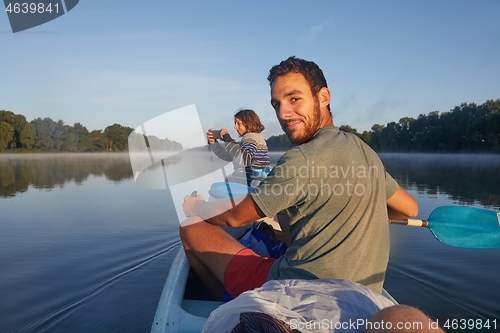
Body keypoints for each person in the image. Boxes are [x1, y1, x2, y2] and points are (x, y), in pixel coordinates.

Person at [180, 56, 418, 301]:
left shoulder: (301, 158)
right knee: (284, 211)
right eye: (276, 104)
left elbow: (234, 216)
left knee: (191, 227)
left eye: (294, 99)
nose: (283, 113)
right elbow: (408, 208)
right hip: (363, 297)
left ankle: (224, 303)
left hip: (295, 293)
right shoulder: (365, 152)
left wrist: (197, 206)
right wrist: (356, 209)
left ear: (323, 97)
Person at [207, 109, 270, 187]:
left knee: (223, 184)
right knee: (228, 179)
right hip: (248, 181)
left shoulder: (251, 137)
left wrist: (227, 138)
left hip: (250, 184)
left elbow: (244, 160)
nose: (235, 127)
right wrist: (214, 144)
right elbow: (231, 157)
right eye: (235, 124)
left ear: (249, 123)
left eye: (238, 123)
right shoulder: (252, 138)